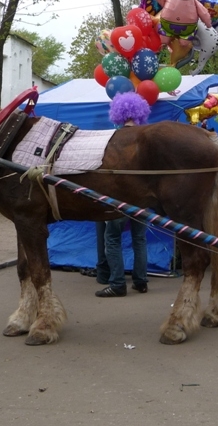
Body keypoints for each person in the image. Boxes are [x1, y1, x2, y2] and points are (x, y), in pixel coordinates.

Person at [95, 93, 150, 297]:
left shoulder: (114, 138)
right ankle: (141, 281)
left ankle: (118, 283)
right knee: (139, 239)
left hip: (119, 197)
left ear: (118, 113)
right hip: (142, 197)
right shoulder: (145, 138)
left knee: (112, 238)